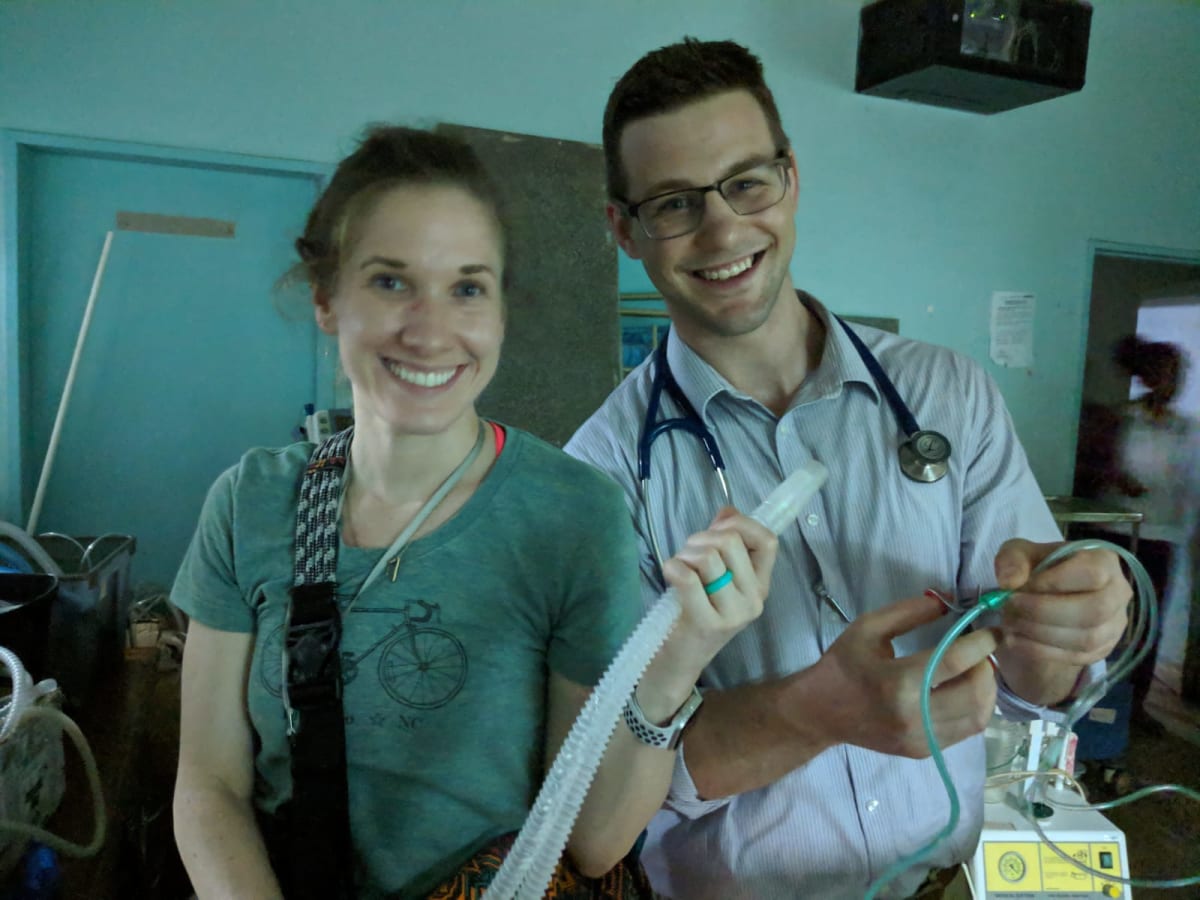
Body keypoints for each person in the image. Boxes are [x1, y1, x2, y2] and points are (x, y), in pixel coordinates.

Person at [564, 38, 1131, 899]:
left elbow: (1030, 687)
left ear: (790, 177)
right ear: (623, 228)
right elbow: (615, 798)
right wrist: (816, 710)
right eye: (674, 203)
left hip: (943, 884)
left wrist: (1065, 629)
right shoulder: (601, 475)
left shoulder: (948, 397)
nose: (723, 229)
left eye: (747, 182)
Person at [170, 125, 778, 899]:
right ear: (327, 298)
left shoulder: (573, 514)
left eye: (466, 288)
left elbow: (593, 843)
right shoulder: (251, 501)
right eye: (390, 282)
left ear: (499, 310)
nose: (431, 332)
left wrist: (683, 655)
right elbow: (210, 786)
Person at [1075, 336, 1199, 762]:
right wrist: (1115, 478)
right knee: (1101, 616)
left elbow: (1187, 486)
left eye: (1177, 375)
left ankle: (1135, 705)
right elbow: (1096, 469)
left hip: (1162, 536)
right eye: (1163, 373)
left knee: (1147, 622)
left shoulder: (1186, 429)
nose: (1170, 382)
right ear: (1145, 376)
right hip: (1114, 530)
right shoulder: (1121, 420)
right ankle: (1085, 697)